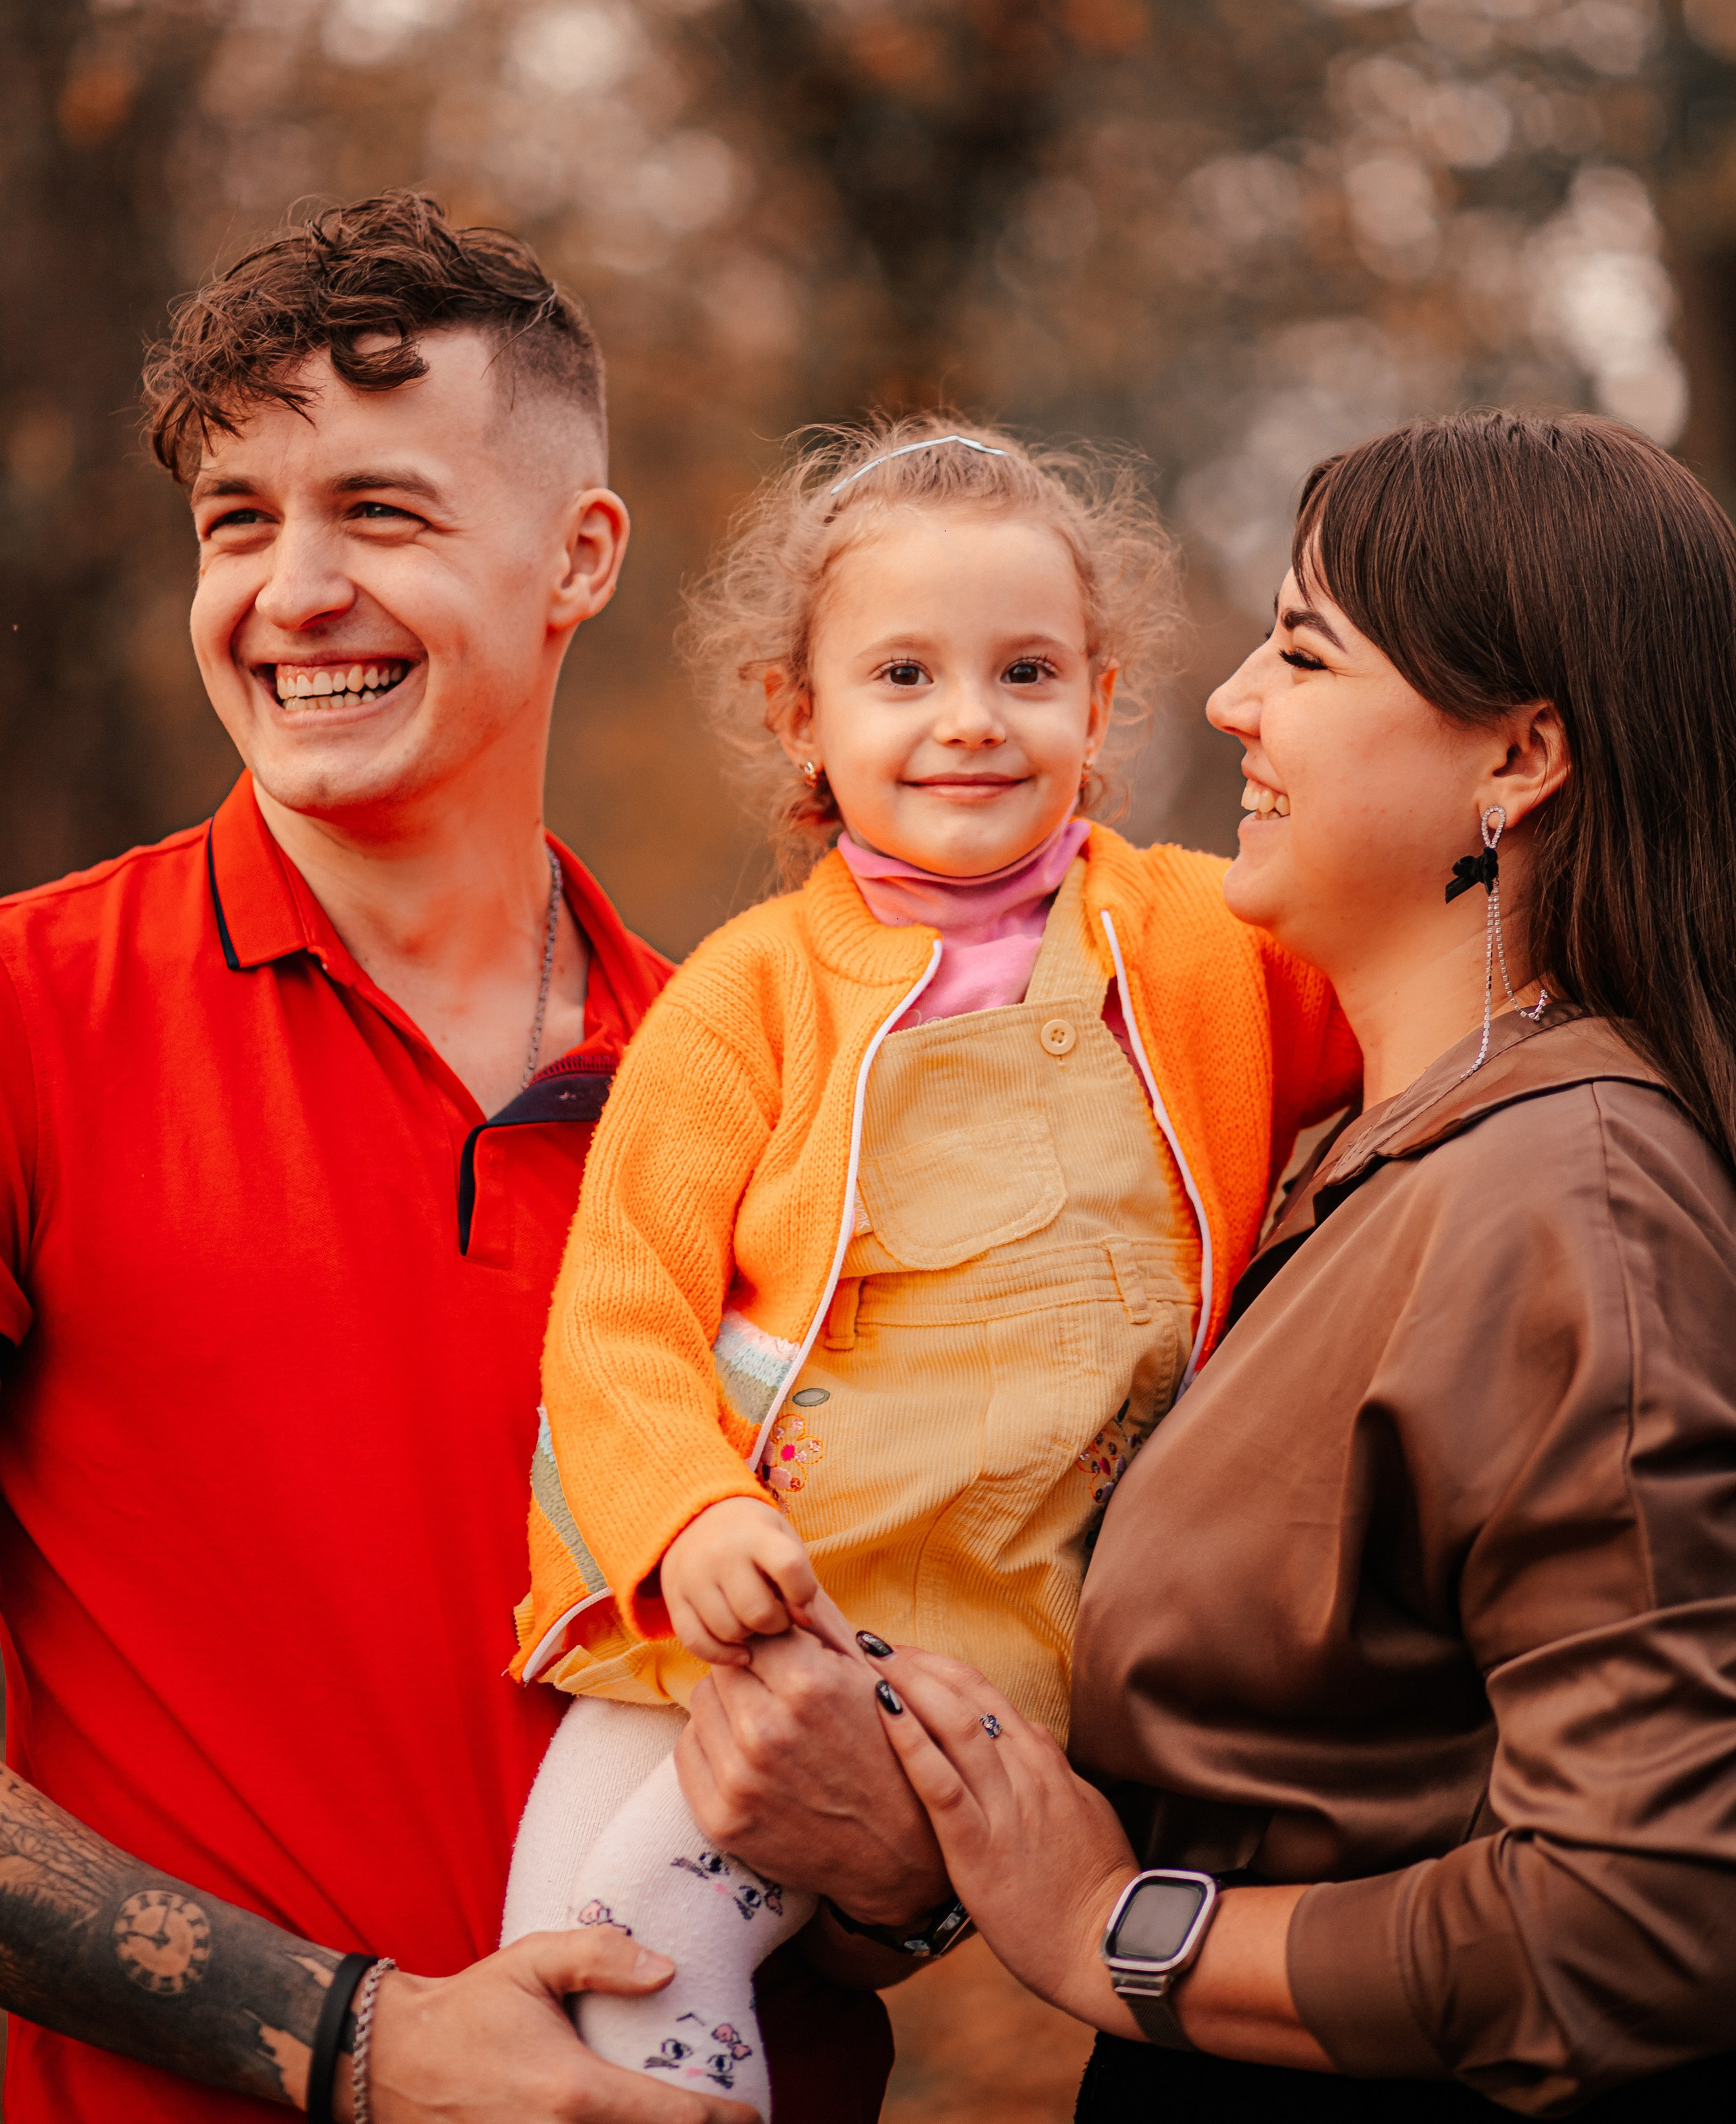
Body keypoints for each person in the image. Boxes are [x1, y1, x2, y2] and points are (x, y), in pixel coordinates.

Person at [0, 190, 876, 2123]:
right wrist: (354, 2043)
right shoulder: (26, 1015)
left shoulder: (777, 1093)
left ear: (578, 559)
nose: (289, 591)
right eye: (240, 523)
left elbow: (921, 1651)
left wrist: (900, 1864)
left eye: (377, 514)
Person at [814, 410, 1736, 2115]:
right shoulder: (1382, 1158)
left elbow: (1642, 1914)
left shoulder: (1570, 1197)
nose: (1232, 699)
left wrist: (1112, 1930)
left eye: (1302, 651)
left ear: (1516, 758)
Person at [500, 420, 1359, 2113]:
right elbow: (618, 1308)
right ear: (798, 717)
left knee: (649, 1934)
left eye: (1024, 671)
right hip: (750, 1578)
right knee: (546, 1933)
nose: (969, 719)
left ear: (1099, 705)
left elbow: (1397, 1014)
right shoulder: (750, 992)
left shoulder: (1197, 939)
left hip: (993, 1614)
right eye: (903, 672)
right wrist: (690, 1517)